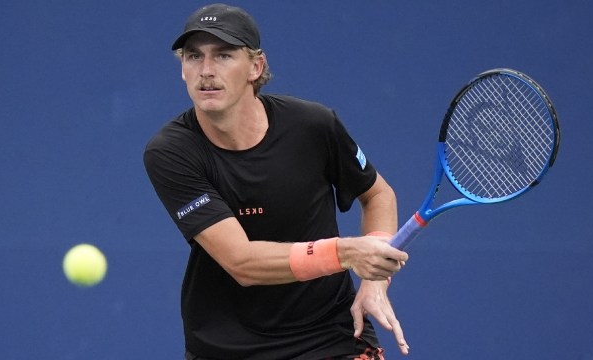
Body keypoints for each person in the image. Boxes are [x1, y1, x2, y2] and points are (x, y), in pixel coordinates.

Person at [143, 3, 410, 359]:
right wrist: (347, 252)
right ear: (182, 69)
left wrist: (375, 281)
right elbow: (242, 262)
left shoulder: (315, 125)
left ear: (256, 66)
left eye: (223, 55)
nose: (205, 71)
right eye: (193, 57)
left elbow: (378, 195)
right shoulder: (171, 152)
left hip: (331, 335)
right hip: (227, 348)